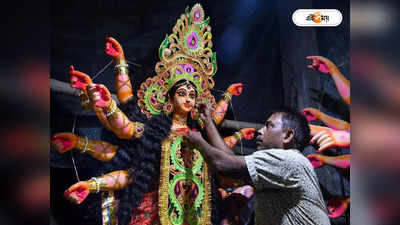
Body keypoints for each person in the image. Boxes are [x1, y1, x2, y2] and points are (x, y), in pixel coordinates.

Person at [50, 3, 256, 225]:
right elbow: (127, 146)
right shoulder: (153, 131)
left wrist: (235, 124)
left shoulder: (202, 135)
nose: (188, 98)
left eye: (192, 95)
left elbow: (224, 167)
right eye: (182, 93)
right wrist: (91, 184)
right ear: (169, 98)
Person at [185, 103, 331, 225]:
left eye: (269, 126)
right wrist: (209, 123)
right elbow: (232, 164)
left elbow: (223, 164)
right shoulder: (276, 166)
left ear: (287, 136)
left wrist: (198, 141)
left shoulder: (290, 161)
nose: (260, 131)